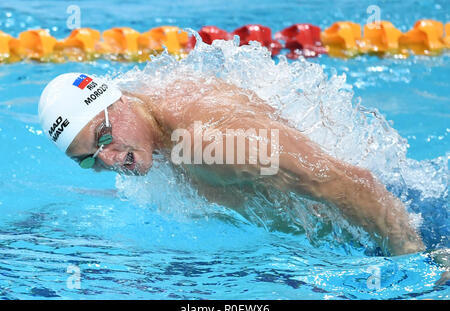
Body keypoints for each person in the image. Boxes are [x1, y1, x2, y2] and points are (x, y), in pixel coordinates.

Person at [38, 72, 425, 256]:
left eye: (102, 139)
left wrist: (410, 257)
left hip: (392, 223)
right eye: (89, 161)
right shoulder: (147, 121)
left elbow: (342, 181)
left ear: (117, 101)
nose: (108, 160)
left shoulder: (209, 144)